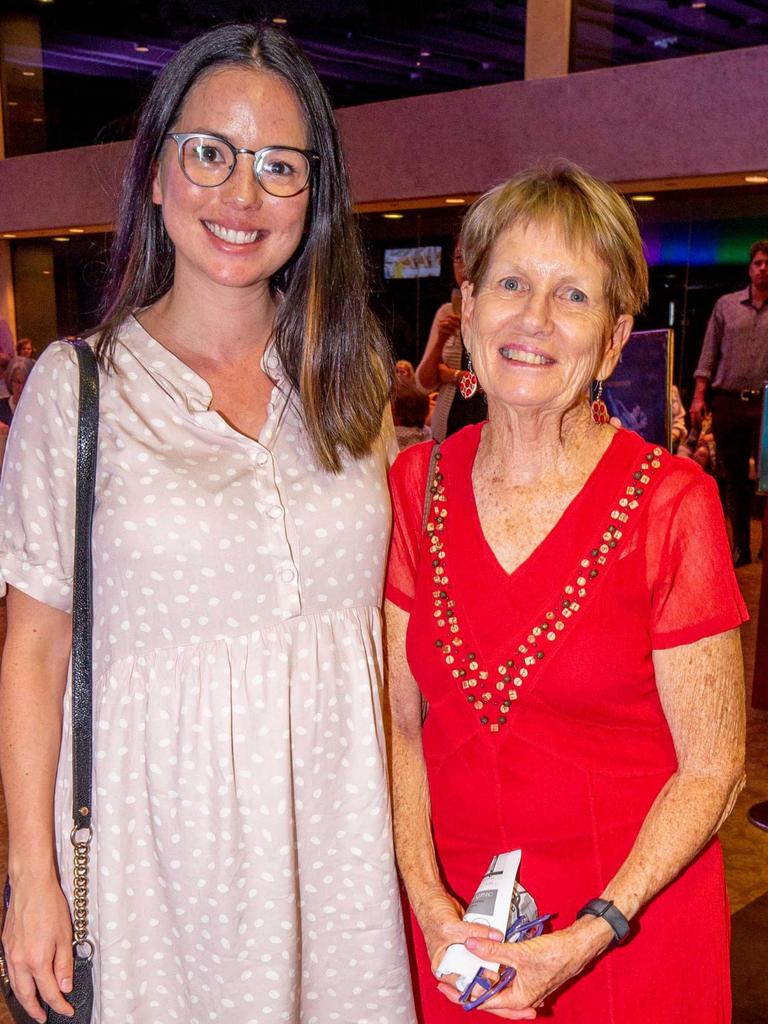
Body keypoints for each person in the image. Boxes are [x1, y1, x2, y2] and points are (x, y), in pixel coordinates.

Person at [0, 24, 415, 1024]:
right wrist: (33, 877)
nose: (241, 195)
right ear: (155, 172)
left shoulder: (353, 381)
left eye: (279, 166)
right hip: (159, 865)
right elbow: (35, 649)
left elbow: (400, 637)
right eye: (210, 153)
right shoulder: (81, 389)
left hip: (339, 853)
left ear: (315, 196)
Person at [385, 163, 747, 1022]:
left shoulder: (671, 505)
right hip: (459, 946)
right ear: (467, 309)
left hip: (628, 936)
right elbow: (397, 727)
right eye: (510, 282)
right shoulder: (413, 485)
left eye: (573, 295)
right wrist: (431, 908)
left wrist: (590, 933)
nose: (534, 319)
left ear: (616, 339)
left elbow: (714, 767)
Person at [691, 241, 768, 565]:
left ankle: (767, 547)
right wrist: (698, 394)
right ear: (750, 268)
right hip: (729, 402)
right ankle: (740, 547)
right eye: (759, 263)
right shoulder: (726, 305)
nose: (764, 268)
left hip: (767, 406)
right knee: (734, 479)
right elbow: (709, 351)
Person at [414, 243, 486, 442]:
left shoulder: (498, 313)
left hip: (487, 428)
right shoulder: (447, 312)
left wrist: (454, 375)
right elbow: (423, 384)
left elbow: (499, 384)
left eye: (470, 256)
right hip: (446, 429)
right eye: (458, 258)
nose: (464, 266)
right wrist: (440, 341)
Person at [0, 356, 34, 427]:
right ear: (10, 381)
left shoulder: (36, 409)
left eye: (25, 383)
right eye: (17, 382)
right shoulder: (1, 406)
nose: (21, 388)